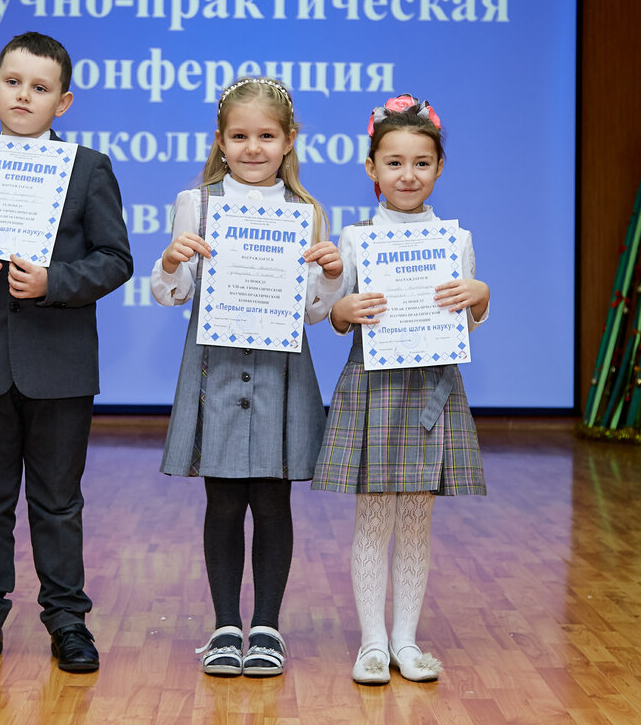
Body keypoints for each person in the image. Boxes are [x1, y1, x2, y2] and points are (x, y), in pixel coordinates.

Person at [0, 31, 133, 673]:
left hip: (60, 364)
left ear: (62, 103)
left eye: (40, 88)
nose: (24, 96)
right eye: (13, 83)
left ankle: (67, 621)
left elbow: (116, 259)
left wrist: (54, 282)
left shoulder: (89, 168)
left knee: (58, 502)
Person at [152, 77, 343, 677]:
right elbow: (172, 293)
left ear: (289, 141)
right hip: (216, 366)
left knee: (273, 499)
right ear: (220, 140)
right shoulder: (196, 203)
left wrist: (330, 275)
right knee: (224, 498)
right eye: (239, 136)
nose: (253, 148)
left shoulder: (307, 212)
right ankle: (224, 627)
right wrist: (170, 262)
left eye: (266, 136)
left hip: (280, 371)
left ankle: (266, 628)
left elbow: (313, 311)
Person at [311, 94, 490, 685]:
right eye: (393, 162)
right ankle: (371, 643)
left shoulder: (455, 239)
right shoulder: (356, 239)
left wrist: (480, 298)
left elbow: (462, 322)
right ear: (372, 167)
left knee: (416, 521)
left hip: (432, 391)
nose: (407, 175)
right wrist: (343, 312)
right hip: (374, 390)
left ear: (439, 168)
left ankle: (406, 642)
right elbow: (335, 313)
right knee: (373, 520)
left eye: (421, 163)